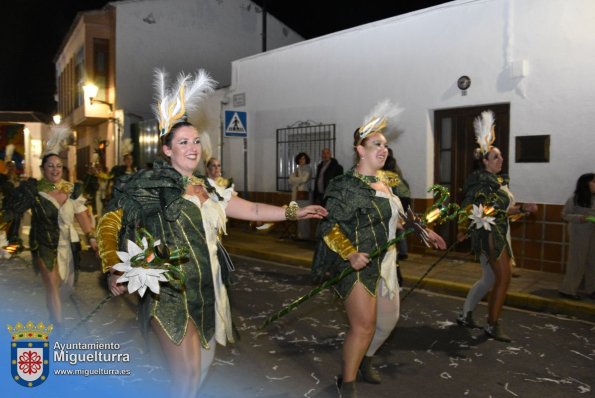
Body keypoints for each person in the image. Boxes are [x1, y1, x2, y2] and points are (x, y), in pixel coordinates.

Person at [96, 69, 327, 398]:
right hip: (168, 291)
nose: (192, 148)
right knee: (187, 376)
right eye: (182, 142)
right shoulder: (149, 186)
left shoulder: (210, 188)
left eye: (195, 141)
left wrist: (296, 210)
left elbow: (254, 211)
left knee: (201, 370)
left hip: (208, 292)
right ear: (166, 150)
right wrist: (113, 266)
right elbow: (110, 222)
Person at [312, 101, 446, 397]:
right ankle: (347, 382)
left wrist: (425, 231)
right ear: (360, 149)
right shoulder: (345, 185)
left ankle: (365, 360)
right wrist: (349, 252)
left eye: (385, 145)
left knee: (388, 321)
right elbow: (329, 227)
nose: (383, 150)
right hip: (356, 263)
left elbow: (400, 218)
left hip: (386, 262)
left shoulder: (389, 183)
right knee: (363, 326)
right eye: (376, 144)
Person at [456, 110, 537, 342]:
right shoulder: (481, 181)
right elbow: (470, 206)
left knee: (490, 280)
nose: (500, 160)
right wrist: (463, 227)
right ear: (484, 161)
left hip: (501, 231)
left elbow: (503, 210)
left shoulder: (498, 181)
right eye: (495, 157)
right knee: (504, 277)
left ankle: (465, 315)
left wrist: (522, 209)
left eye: (501, 156)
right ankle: (492, 324)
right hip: (490, 234)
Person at [0, 150, 98, 332]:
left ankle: (55, 313)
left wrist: (91, 237)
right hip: (43, 243)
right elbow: (12, 212)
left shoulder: (72, 190)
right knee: (52, 285)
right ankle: (57, 326)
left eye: (58, 166)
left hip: (69, 245)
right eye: (50, 166)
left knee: (66, 286)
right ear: (42, 169)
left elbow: (82, 215)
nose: (55, 170)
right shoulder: (34, 191)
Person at [558, 173, 595, 300]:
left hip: (592, 233)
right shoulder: (575, 199)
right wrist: (581, 218)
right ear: (586, 184)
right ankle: (568, 290)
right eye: (594, 182)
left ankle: (591, 289)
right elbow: (565, 215)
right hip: (579, 232)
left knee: (592, 261)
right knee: (577, 261)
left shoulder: (594, 199)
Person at [288, 152, 312, 239]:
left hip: (304, 195)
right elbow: (289, 181)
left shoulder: (308, 169)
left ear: (306, 160)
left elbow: (304, 179)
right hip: (296, 195)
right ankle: (300, 235)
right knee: (298, 215)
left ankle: (305, 236)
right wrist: (296, 180)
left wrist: (294, 179)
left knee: (304, 215)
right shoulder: (297, 169)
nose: (301, 160)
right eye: (300, 158)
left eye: (303, 158)